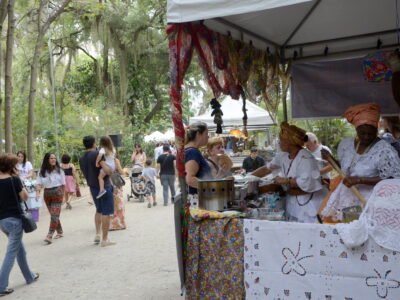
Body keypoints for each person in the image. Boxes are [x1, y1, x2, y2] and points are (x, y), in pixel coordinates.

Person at [321, 103, 400, 220]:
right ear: (356, 129)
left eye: (371, 133)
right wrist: (330, 159)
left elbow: (393, 180)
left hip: (370, 202)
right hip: (345, 199)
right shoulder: (346, 145)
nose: (367, 136)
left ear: (377, 129)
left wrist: (360, 180)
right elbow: (344, 169)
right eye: (362, 133)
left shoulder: (384, 150)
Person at [252, 122, 326, 223]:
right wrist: (248, 179)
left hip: (308, 209)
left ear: (289, 142)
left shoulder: (306, 158)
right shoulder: (282, 156)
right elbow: (266, 169)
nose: (279, 143)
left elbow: (307, 183)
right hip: (292, 205)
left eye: (281, 140)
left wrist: (286, 181)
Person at [0, 154, 39, 297]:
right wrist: (19, 183)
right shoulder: (14, 180)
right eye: (15, 165)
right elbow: (25, 197)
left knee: (19, 250)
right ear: (10, 166)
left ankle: (29, 276)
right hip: (15, 220)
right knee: (11, 253)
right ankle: (1, 286)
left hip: (2, 221)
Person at [79, 136, 115, 247]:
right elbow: (108, 171)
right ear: (94, 143)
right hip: (105, 187)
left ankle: (97, 234)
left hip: (93, 187)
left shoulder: (81, 158)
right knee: (106, 212)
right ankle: (105, 239)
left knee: (98, 210)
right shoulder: (98, 154)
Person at [36, 153, 65, 244]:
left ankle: (49, 235)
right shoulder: (42, 171)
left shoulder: (59, 170)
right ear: (47, 160)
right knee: (54, 214)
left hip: (58, 192)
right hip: (47, 193)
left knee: (54, 215)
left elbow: (63, 184)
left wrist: (63, 195)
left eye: (54, 158)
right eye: (51, 158)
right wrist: (37, 192)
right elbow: (38, 183)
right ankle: (60, 231)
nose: (53, 160)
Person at [184, 122, 212, 195]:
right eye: (206, 134)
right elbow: (190, 179)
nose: (208, 137)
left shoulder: (188, 150)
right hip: (198, 198)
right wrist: (212, 188)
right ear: (199, 134)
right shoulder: (192, 152)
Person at [110, 158, 127, 230]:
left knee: (110, 204)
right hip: (115, 183)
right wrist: (125, 171)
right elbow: (121, 171)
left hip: (107, 184)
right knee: (119, 204)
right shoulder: (115, 160)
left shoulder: (102, 160)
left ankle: (110, 224)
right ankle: (119, 223)